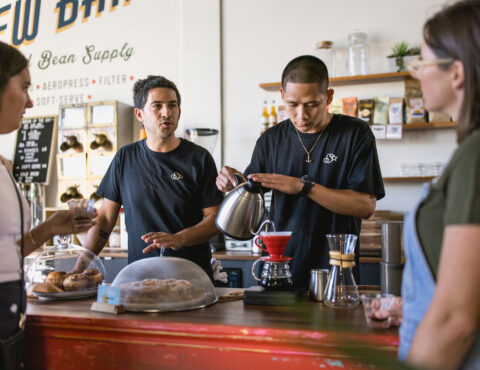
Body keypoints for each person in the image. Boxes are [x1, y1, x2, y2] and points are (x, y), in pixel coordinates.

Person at [216, 55, 385, 289]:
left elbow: (365, 206)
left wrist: (303, 187)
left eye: (312, 104)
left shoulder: (355, 134)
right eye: (293, 104)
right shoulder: (271, 140)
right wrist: (232, 182)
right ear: (282, 95)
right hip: (281, 268)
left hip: (336, 270)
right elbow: (250, 188)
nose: (301, 115)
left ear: (328, 97)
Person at [0, 41, 95, 369]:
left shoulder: (3, 166)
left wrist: (48, 230)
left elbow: (5, 253)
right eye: (24, 87)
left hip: (8, 321)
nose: (30, 101)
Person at [399, 1, 480, 368]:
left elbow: (455, 321)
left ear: (457, 73)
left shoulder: (475, 155)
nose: (417, 76)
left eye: (422, 64)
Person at [81, 75, 223, 279]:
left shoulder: (199, 158)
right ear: (139, 114)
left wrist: (179, 238)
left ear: (179, 111)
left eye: (172, 105)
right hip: (140, 278)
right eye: (157, 106)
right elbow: (104, 219)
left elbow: (216, 219)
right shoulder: (125, 157)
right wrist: (80, 265)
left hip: (191, 278)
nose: (166, 112)